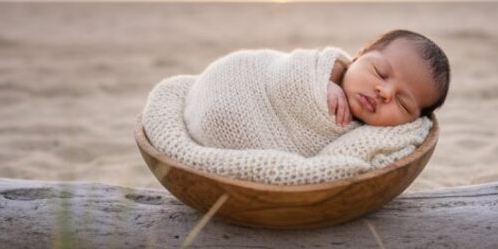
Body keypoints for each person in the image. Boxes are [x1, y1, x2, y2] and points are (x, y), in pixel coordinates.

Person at [184, 29, 450, 156]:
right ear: (359, 57)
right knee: (221, 110)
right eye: (380, 72)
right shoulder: (327, 68)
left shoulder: (379, 138)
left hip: (243, 137)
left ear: (412, 121)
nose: (385, 92)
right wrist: (323, 85)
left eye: (403, 103)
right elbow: (285, 72)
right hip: (238, 79)